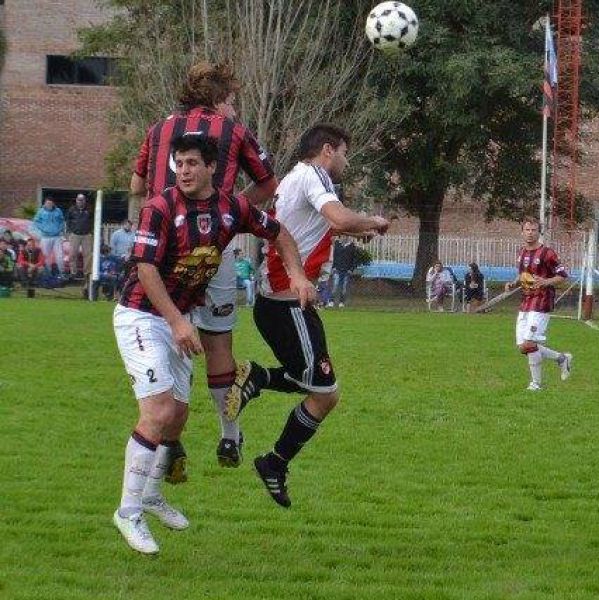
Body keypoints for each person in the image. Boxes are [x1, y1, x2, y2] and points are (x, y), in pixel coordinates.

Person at [111, 134, 311, 554]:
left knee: (178, 416)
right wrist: (178, 323)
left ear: (211, 168)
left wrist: (296, 274)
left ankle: (150, 495)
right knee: (159, 411)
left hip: (177, 319)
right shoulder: (160, 208)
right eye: (178, 163)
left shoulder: (232, 207)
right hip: (141, 315)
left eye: (190, 164)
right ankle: (129, 511)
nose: (182, 171)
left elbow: (280, 233)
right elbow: (145, 268)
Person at [226, 124, 390, 508]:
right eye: (345, 154)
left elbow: (316, 226)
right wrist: (371, 221)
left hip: (287, 302)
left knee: (323, 390)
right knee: (322, 390)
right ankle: (270, 444)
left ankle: (273, 454)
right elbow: (340, 218)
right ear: (328, 150)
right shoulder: (314, 175)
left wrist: (352, 231)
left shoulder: (296, 180)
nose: (346, 162)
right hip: (287, 302)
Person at [131, 61, 279, 478]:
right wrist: (226, 215)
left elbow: (136, 186)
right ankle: (229, 433)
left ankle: (169, 443)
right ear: (217, 100)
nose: (234, 110)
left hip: (161, 254)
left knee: (167, 334)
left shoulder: (158, 130)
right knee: (217, 345)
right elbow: (269, 184)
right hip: (210, 254)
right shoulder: (233, 132)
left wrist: (156, 219)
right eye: (231, 101)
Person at [505, 217, 573, 391]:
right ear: (522, 232)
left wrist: (545, 281)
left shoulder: (547, 253)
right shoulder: (521, 253)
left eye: (534, 230)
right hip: (526, 302)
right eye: (527, 230)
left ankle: (536, 384)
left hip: (542, 303)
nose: (530, 233)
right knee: (523, 347)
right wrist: (513, 283)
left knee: (529, 343)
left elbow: (563, 276)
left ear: (539, 232)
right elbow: (523, 276)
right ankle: (561, 359)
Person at [32, 197, 65, 277]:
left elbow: (62, 221)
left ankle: (61, 273)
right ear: (45, 203)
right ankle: (48, 273)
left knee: (60, 256)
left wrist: (59, 229)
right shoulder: (41, 211)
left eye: (50, 203)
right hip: (45, 237)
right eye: (47, 203)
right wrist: (43, 229)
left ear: (53, 203)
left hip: (57, 237)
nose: (49, 205)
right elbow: (35, 221)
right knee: (45, 256)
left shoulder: (58, 210)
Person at [66, 193, 93, 280]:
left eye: (82, 200)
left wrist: (91, 231)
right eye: (79, 200)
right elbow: (68, 220)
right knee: (72, 254)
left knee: (88, 255)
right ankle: (73, 272)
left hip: (87, 235)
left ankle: (87, 273)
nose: (80, 202)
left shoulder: (89, 209)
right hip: (75, 234)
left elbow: (93, 220)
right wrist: (70, 231)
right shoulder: (72, 209)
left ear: (84, 201)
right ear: (76, 200)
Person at [329, 235, 357, 307]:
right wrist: (333, 267)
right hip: (337, 268)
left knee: (344, 287)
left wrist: (351, 269)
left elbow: (353, 259)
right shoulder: (337, 244)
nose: (344, 237)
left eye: (346, 236)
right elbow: (335, 256)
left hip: (346, 270)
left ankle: (341, 302)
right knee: (335, 285)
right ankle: (331, 301)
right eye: (343, 236)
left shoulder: (352, 246)